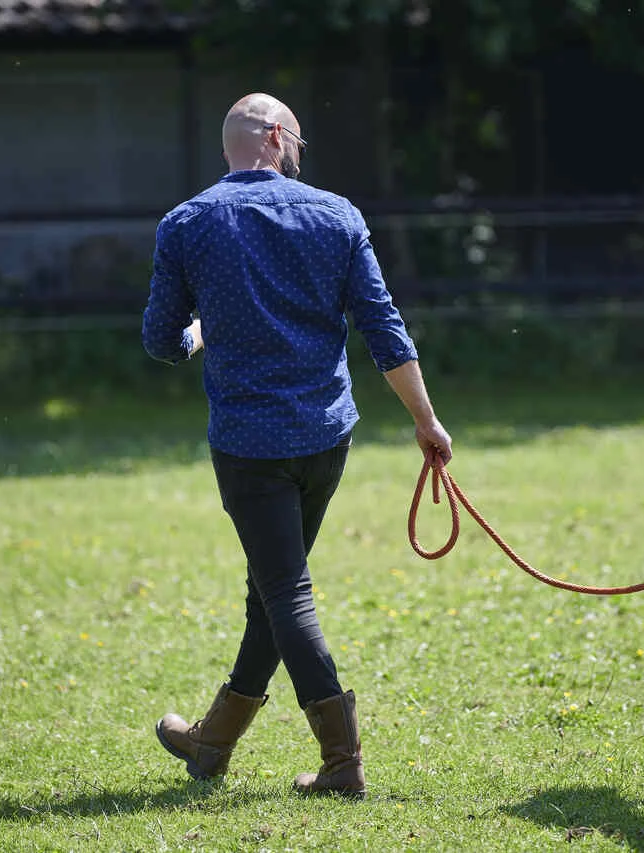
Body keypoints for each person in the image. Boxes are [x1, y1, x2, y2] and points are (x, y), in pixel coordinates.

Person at [141, 92, 453, 799]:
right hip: (324, 440)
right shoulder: (337, 216)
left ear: (236, 146)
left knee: (284, 590)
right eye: (299, 145)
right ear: (278, 138)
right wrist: (425, 421)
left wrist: (199, 334)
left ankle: (342, 764)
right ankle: (211, 742)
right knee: (273, 592)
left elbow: (162, 339)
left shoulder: (186, 223)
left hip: (248, 447)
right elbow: (384, 329)